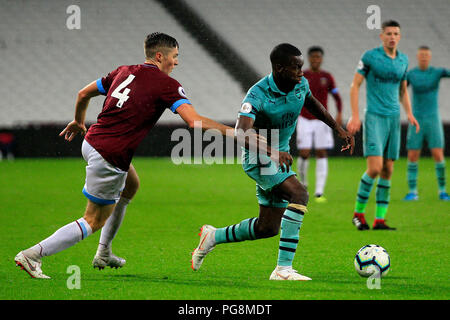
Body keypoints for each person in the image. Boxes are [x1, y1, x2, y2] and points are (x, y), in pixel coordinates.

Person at [14, 32, 234, 279]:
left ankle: (104, 252)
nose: (176, 62)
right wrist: (236, 132)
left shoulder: (123, 71)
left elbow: (82, 93)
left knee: (131, 185)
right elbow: (194, 122)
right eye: (175, 56)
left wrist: (78, 121)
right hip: (110, 154)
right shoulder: (167, 85)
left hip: (92, 141)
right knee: (92, 220)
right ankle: (33, 255)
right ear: (160, 56)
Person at [191, 43, 354, 280]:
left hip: (279, 155)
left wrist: (338, 128)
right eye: (296, 67)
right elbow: (241, 132)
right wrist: (272, 152)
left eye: (301, 67)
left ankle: (212, 236)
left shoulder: (300, 84)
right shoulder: (257, 94)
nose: (301, 72)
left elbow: (311, 103)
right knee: (300, 194)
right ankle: (283, 269)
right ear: (279, 69)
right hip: (259, 157)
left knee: (267, 228)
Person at [347, 20, 420, 231]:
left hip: (393, 119)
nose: (392, 37)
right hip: (374, 118)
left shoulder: (403, 60)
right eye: (388, 33)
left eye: (396, 33)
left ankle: (380, 220)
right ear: (381, 36)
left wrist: (409, 113)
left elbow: (403, 90)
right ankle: (358, 214)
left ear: (400, 36)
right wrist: (354, 115)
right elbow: (355, 86)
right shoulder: (370, 57)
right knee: (375, 168)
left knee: (388, 170)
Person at [296, 46, 343, 202]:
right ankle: (303, 185)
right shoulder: (303, 76)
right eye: (313, 57)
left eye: (318, 57)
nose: (316, 59)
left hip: (322, 120)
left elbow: (337, 96)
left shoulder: (327, 77)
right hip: (304, 118)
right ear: (308, 59)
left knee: (322, 152)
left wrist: (340, 113)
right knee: (304, 152)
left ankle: (319, 192)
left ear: (321, 59)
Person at [403, 46, 450, 201]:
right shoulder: (412, 74)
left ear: (429, 57)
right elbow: (401, 90)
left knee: (438, 154)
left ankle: (442, 191)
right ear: (418, 56)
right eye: (421, 55)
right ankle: (412, 192)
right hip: (416, 118)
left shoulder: (437, 73)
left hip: (433, 118)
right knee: (413, 154)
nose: (423, 57)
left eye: (426, 55)